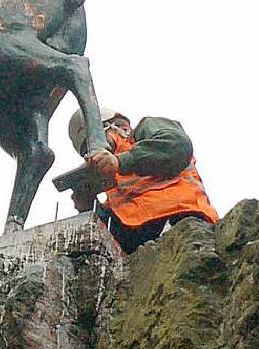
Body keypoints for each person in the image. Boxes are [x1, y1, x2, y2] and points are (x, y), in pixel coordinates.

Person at [68, 108, 218, 254]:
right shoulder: (112, 182)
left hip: (184, 217)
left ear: (120, 127)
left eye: (94, 143)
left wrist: (121, 161)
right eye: (87, 152)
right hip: (145, 243)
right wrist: (90, 207)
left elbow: (177, 146)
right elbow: (118, 235)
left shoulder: (145, 131)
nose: (93, 155)